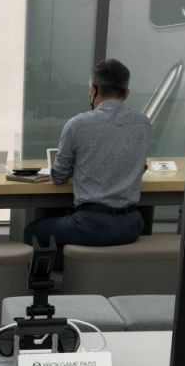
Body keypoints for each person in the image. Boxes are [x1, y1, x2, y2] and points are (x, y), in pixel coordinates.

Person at [24, 58, 151, 253]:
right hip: (131, 225)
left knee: (33, 231)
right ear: (126, 93)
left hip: (92, 225)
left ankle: (59, 271)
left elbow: (58, 176)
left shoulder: (77, 124)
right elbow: (140, 167)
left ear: (94, 89)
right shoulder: (143, 123)